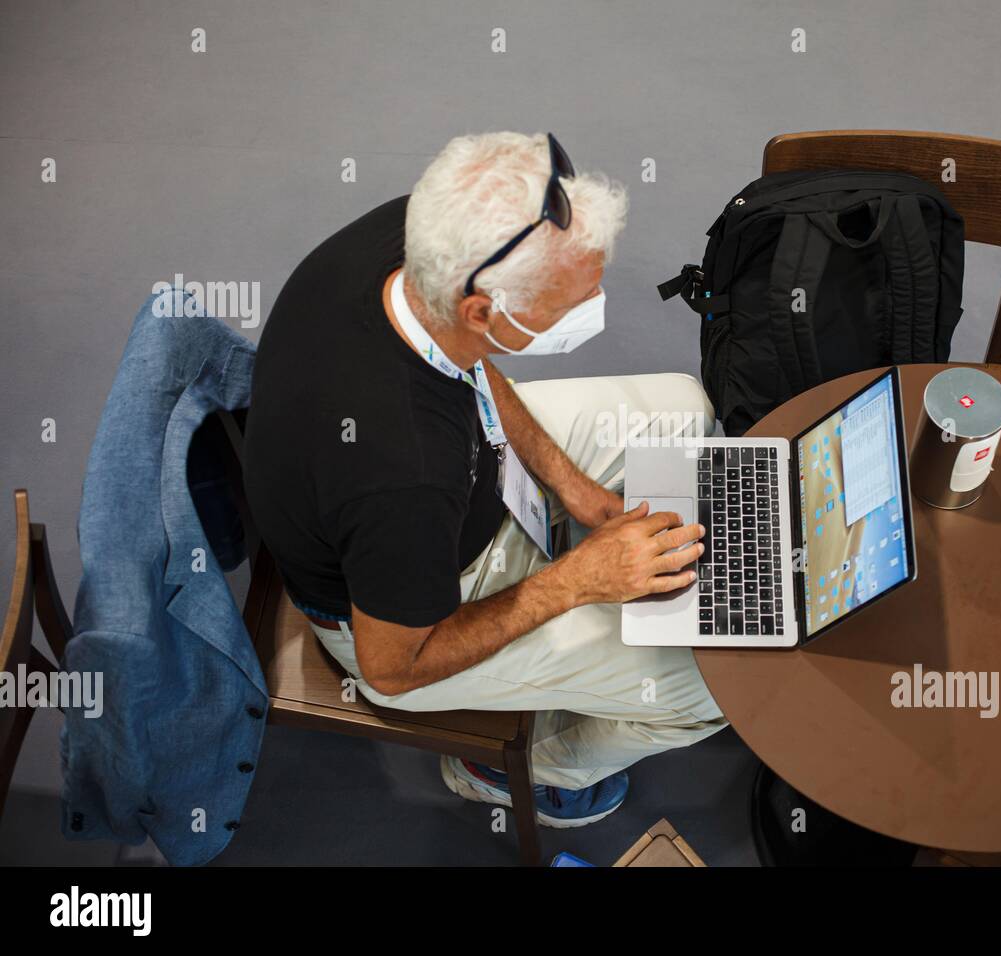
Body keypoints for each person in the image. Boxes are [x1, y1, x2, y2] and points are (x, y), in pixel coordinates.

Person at [242, 131, 727, 827]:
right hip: (398, 623)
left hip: (462, 488)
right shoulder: (400, 474)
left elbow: (468, 362)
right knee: (708, 693)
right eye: (572, 300)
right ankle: (521, 769)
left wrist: (573, 488)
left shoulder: (418, 241)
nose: (594, 306)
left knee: (683, 411)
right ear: (484, 309)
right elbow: (393, 667)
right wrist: (578, 579)